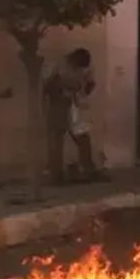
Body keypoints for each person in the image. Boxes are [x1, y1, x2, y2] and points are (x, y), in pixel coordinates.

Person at [43, 48, 101, 183]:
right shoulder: (60, 66)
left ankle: (88, 169)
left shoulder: (82, 70)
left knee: (82, 138)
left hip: (73, 106)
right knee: (56, 139)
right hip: (59, 105)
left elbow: (87, 87)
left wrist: (86, 86)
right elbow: (48, 86)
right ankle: (55, 173)